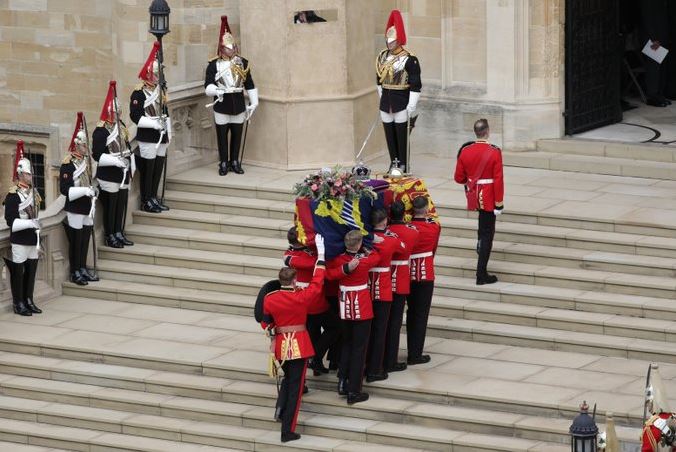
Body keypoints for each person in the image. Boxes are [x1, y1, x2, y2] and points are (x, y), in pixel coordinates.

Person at [261, 235, 326, 443]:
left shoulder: (270, 298)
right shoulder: (300, 296)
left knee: (289, 380)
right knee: (295, 391)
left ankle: (280, 412)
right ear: (294, 280)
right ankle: (287, 431)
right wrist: (322, 257)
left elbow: (265, 323)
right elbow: (317, 283)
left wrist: (273, 335)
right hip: (298, 345)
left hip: (280, 345)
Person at [326, 230, 380, 405]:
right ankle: (354, 390)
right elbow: (377, 257)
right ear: (358, 244)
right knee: (359, 349)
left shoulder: (339, 260)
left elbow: (329, 274)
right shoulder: (364, 261)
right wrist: (364, 250)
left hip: (344, 307)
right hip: (361, 307)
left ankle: (342, 381)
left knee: (347, 344)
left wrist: (345, 269)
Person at [204, 15, 258, 176]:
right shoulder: (213, 65)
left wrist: (254, 102)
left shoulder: (243, 63)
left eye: (233, 47)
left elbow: (249, 83)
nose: (232, 50)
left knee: (237, 134)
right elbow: (207, 85)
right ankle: (223, 162)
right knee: (222, 136)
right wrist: (216, 90)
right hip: (221, 104)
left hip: (238, 103)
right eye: (228, 47)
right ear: (221, 49)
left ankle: (234, 161)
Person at [454, 118, 504, 285]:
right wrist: (499, 202)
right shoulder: (494, 151)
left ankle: (480, 248)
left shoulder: (466, 151)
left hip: (474, 195)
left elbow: (458, 178)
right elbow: (498, 179)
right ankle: (481, 273)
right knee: (487, 233)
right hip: (489, 196)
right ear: (487, 131)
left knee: (482, 230)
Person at [283, 227, 338, 376]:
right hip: (312, 300)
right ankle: (315, 357)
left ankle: (316, 363)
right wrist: (321, 252)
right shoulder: (294, 256)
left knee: (313, 332)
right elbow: (316, 263)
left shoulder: (292, 253)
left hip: (306, 299)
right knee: (335, 327)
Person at [376, 9, 421, 172]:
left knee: (402, 135)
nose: (389, 43)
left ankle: (403, 163)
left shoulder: (410, 59)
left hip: (401, 100)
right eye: (388, 40)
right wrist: (381, 98)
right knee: (389, 134)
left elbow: (416, 84)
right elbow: (379, 81)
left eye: (393, 41)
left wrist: (411, 105)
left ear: (399, 40)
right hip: (386, 101)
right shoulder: (382, 56)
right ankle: (393, 162)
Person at [130, 41, 171, 213]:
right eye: (155, 74)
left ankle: (154, 197)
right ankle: (146, 199)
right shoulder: (138, 93)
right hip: (147, 135)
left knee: (158, 167)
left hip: (161, 135)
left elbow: (165, 111)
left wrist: (169, 131)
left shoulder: (160, 90)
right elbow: (135, 116)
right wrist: (154, 124)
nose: (158, 76)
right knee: (149, 169)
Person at [93, 81, 134, 249]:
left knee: (121, 204)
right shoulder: (101, 131)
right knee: (111, 207)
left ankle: (119, 232)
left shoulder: (121, 126)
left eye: (119, 112)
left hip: (123, 172)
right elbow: (97, 154)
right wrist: (115, 161)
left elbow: (126, 145)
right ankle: (110, 235)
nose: (118, 115)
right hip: (109, 174)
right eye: (116, 113)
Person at [60, 112, 99, 286]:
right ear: (77, 146)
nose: (86, 149)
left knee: (84, 240)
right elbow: (65, 189)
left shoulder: (86, 161)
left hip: (87, 207)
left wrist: (92, 192)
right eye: (84, 146)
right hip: (75, 207)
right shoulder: (68, 164)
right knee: (76, 241)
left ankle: (82, 268)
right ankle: (75, 271)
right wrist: (84, 191)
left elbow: (89, 181)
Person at [365, 207, 404, 382]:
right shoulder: (390, 239)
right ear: (385, 221)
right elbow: (402, 249)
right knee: (380, 331)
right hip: (383, 288)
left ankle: (366, 365)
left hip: (365, 287)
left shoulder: (366, 239)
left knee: (366, 331)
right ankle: (375, 369)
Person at [3, 140, 41, 316]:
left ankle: (28, 299)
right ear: (20, 175)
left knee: (31, 272)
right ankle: (18, 303)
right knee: (19, 273)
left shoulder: (33, 193)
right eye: (27, 174)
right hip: (20, 240)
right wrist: (30, 223)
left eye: (30, 174)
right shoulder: (12, 196)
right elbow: (12, 221)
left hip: (32, 239)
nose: (30, 176)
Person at [384, 200, 418, 372]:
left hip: (385, 276)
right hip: (402, 276)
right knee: (395, 322)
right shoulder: (411, 232)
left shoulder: (387, 232)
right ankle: (391, 359)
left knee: (384, 321)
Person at [407, 196, 440, 365]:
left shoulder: (408, 227)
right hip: (425, 272)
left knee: (410, 313)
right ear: (426, 209)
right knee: (420, 315)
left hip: (406, 273)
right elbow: (433, 249)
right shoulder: (433, 227)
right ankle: (415, 353)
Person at [640, 0, 671, 107]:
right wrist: (653, 38)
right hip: (653, 39)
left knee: (661, 67)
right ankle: (652, 96)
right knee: (653, 68)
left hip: (662, 36)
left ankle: (660, 95)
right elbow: (647, 18)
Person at [642, 363, 676, 451]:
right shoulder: (674, 417)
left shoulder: (651, 428)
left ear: (652, 402)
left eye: (648, 403)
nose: (647, 406)